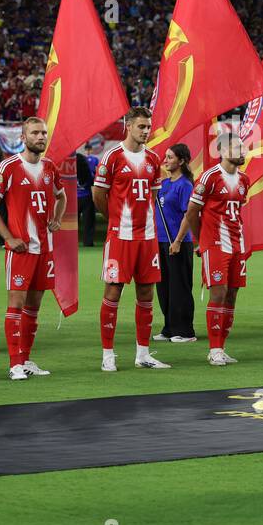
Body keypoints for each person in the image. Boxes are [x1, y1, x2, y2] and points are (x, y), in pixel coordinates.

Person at [0, 117, 67, 380]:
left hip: (45, 249)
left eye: (43, 133)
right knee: (15, 305)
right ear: (23, 137)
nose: (40, 137)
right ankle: (14, 364)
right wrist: (8, 238)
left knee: (34, 307)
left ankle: (27, 360)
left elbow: (61, 196)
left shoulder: (51, 167)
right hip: (20, 251)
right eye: (35, 133)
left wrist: (56, 219)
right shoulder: (8, 167)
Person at [92, 107, 169, 371]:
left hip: (147, 237)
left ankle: (143, 354)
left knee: (146, 292)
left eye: (148, 127)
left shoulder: (153, 159)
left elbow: (153, 196)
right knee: (113, 292)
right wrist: (115, 218)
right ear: (128, 126)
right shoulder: (112, 157)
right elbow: (97, 195)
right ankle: (107, 355)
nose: (146, 131)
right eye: (141, 127)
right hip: (120, 237)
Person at [171, 131, 250, 365]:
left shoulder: (244, 180)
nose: (243, 152)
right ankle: (214, 349)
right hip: (216, 243)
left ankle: (222, 346)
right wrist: (201, 240)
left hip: (238, 243)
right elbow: (192, 212)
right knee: (219, 292)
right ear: (224, 151)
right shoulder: (209, 177)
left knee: (233, 294)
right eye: (238, 148)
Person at [155, 142, 196, 343]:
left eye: (170, 157)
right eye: (166, 156)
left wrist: (178, 240)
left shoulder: (185, 185)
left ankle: (185, 330)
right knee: (164, 287)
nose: (166, 160)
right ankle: (169, 327)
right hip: (161, 242)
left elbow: (188, 215)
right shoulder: (163, 184)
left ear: (181, 161)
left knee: (180, 287)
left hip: (178, 242)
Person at [76, 144, 98, 247]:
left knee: (73, 222)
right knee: (88, 221)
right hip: (86, 196)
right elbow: (93, 180)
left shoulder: (71, 171)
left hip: (75, 197)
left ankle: (71, 241)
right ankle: (87, 242)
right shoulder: (88, 171)